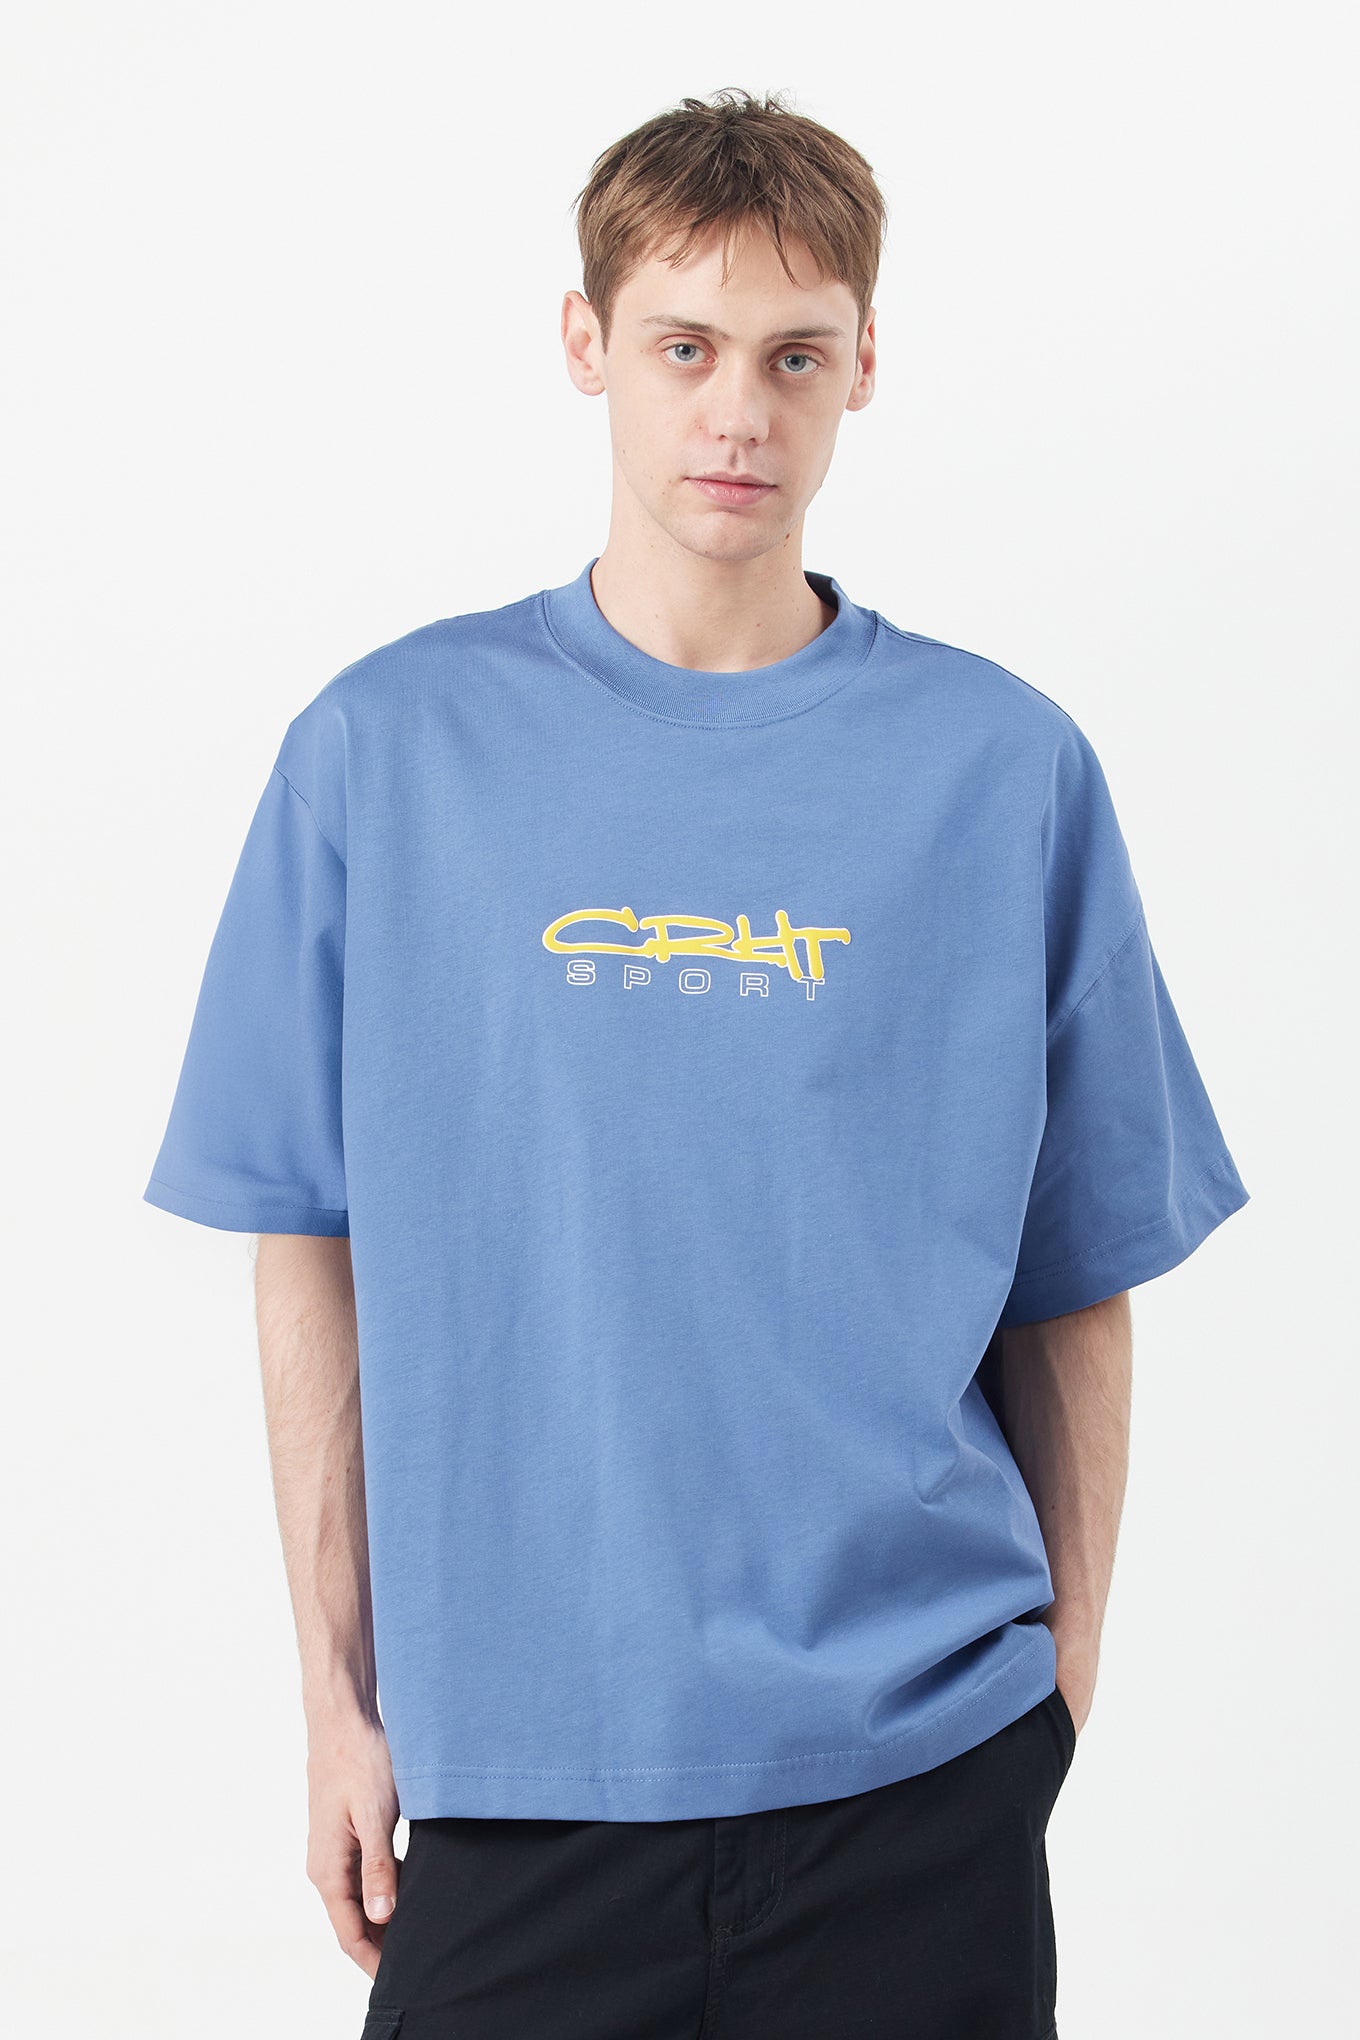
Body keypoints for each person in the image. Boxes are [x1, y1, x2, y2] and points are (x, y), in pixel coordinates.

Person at [142, 86, 1250, 2040]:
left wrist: (1057, 1684)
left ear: (863, 366)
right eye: (684, 348)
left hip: (919, 1765)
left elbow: (1075, 1273)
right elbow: (303, 1241)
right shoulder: (387, 757)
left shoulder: (1000, 773)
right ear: (585, 344)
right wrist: (336, 1698)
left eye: (792, 355)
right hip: (518, 1777)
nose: (738, 412)